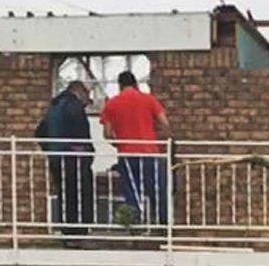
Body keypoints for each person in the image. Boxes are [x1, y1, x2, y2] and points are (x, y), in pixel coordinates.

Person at [99, 70, 170, 227]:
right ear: (136, 84)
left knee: (132, 191)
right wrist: (153, 135)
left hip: (127, 154)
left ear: (120, 85)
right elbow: (165, 124)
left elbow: (107, 134)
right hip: (150, 153)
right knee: (157, 189)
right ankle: (162, 224)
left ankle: (136, 223)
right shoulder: (149, 100)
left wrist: (119, 143)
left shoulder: (112, 104)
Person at [35, 80, 94, 236]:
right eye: (86, 96)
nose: (86, 101)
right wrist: (87, 154)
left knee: (64, 195)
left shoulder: (54, 106)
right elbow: (81, 135)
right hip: (74, 159)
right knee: (78, 196)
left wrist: (50, 150)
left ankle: (67, 231)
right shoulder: (74, 106)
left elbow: (40, 132)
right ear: (80, 92)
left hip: (56, 159)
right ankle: (78, 232)